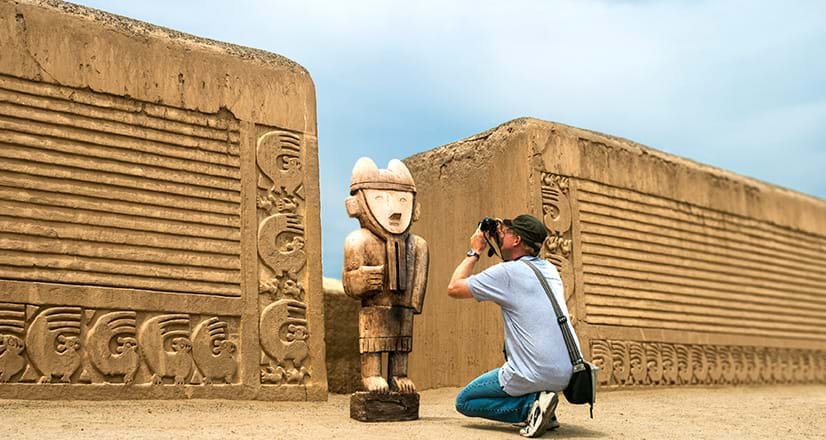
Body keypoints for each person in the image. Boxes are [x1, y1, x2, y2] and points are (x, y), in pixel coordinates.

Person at [447, 214, 579, 438]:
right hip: (567, 373)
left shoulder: (507, 273)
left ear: (516, 239)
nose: (501, 235)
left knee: (466, 401)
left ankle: (532, 407)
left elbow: (454, 288)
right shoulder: (549, 270)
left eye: (506, 233)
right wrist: (500, 241)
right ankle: (545, 409)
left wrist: (476, 250)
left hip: (533, 373)